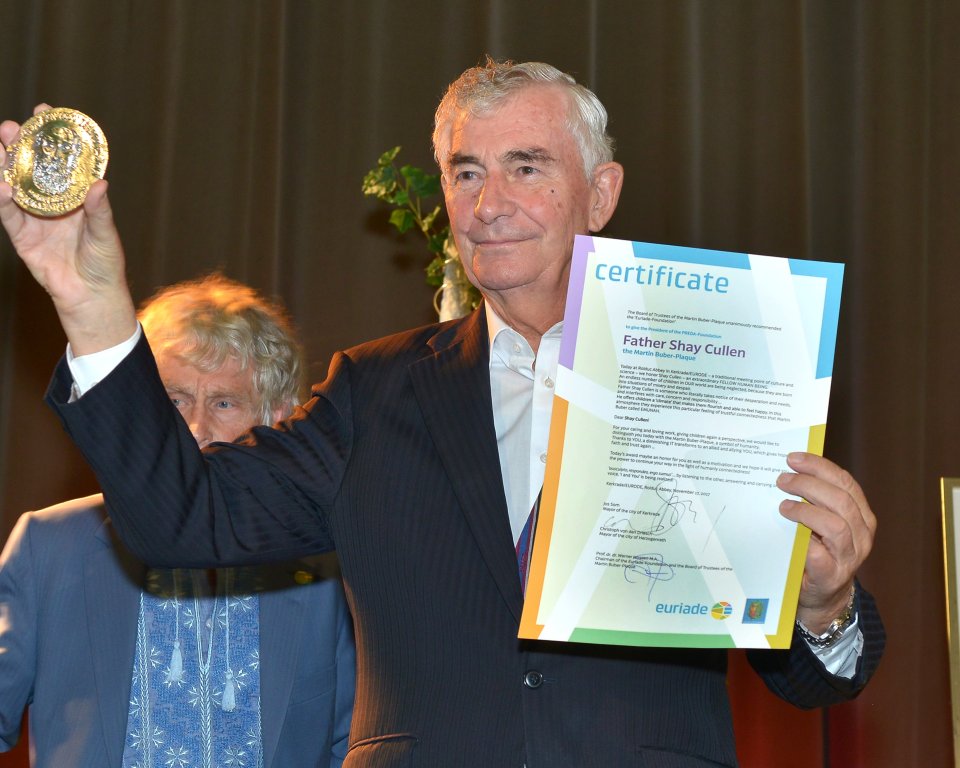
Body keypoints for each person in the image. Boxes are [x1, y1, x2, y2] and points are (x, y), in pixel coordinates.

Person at [1, 60, 883, 767]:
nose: (487, 202)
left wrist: (827, 604)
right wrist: (92, 307)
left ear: (602, 193)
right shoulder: (374, 392)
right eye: (466, 171)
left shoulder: (718, 363)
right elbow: (182, 518)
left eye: (526, 168)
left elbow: (815, 679)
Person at [0, 275, 355, 767]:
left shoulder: (331, 566)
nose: (195, 429)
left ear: (277, 416)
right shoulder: (50, 545)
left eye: (224, 402)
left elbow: (354, 747)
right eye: (173, 401)